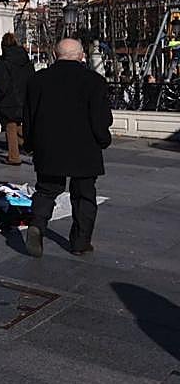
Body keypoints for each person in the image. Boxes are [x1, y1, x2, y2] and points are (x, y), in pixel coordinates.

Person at [23, 38, 113, 258]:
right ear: (81, 55)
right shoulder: (94, 81)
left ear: (55, 55)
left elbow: (29, 117)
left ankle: (37, 224)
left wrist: (31, 144)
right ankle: (80, 242)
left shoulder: (38, 80)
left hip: (49, 146)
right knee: (84, 195)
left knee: (46, 190)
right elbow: (101, 118)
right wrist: (103, 139)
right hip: (84, 147)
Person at [0, 32, 33, 165]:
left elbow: (0, 83)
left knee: (10, 126)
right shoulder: (26, 61)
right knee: (19, 125)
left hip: (8, 100)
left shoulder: (3, 63)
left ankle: (14, 157)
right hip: (24, 98)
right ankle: (31, 147)